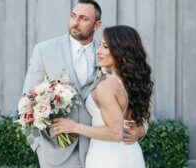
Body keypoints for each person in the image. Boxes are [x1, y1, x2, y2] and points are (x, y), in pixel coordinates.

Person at [22, 0, 146, 168]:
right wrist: (39, 147)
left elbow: (134, 94)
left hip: (98, 150)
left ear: (97, 25)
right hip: (56, 153)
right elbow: (27, 102)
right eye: (73, 16)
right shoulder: (44, 51)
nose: (75, 22)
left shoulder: (109, 52)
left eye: (84, 19)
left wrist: (142, 129)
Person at [51, 25, 153, 168]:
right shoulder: (135, 83)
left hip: (107, 157)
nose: (98, 51)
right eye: (99, 45)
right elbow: (142, 119)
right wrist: (142, 130)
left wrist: (74, 127)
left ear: (120, 51)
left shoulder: (106, 87)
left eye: (105, 47)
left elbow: (115, 132)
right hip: (132, 154)